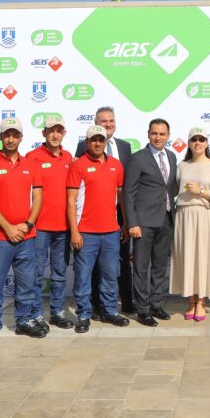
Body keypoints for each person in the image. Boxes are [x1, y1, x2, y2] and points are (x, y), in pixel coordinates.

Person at [0, 118, 45, 346]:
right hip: (0, 236)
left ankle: (24, 320)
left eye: (15, 135)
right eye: (7, 134)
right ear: (0, 137)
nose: (10, 139)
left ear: (21, 138)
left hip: (27, 235)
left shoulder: (32, 165)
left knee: (27, 283)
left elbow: (37, 197)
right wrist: (8, 228)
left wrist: (27, 224)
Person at [67, 125, 129, 333]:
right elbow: (71, 201)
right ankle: (84, 314)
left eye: (101, 140)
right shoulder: (78, 165)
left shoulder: (116, 165)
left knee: (110, 275)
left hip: (111, 231)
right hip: (86, 232)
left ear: (105, 142)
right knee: (83, 276)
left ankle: (109, 310)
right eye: (93, 140)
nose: (97, 143)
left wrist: (126, 222)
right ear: (87, 142)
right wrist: (74, 231)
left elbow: (121, 198)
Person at [124, 118, 178, 326]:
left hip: (166, 219)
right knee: (141, 267)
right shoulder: (138, 159)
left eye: (162, 134)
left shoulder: (172, 157)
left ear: (168, 135)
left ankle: (156, 304)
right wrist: (133, 223)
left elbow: (170, 188)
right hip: (143, 223)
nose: (158, 137)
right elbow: (129, 193)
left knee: (159, 267)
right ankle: (143, 309)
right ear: (148, 134)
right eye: (154, 133)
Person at [170, 126, 210, 319]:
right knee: (187, 258)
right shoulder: (182, 166)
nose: (198, 143)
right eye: (194, 139)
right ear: (189, 143)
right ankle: (190, 301)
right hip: (184, 216)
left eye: (201, 139)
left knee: (203, 258)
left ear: (207, 142)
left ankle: (201, 301)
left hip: (205, 216)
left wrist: (200, 192)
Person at [24, 115, 73, 330]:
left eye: (59, 130)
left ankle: (57, 312)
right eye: (51, 130)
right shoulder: (31, 157)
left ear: (64, 133)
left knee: (60, 273)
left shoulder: (69, 157)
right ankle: (36, 314)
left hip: (63, 227)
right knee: (35, 274)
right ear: (43, 133)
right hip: (39, 227)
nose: (55, 134)